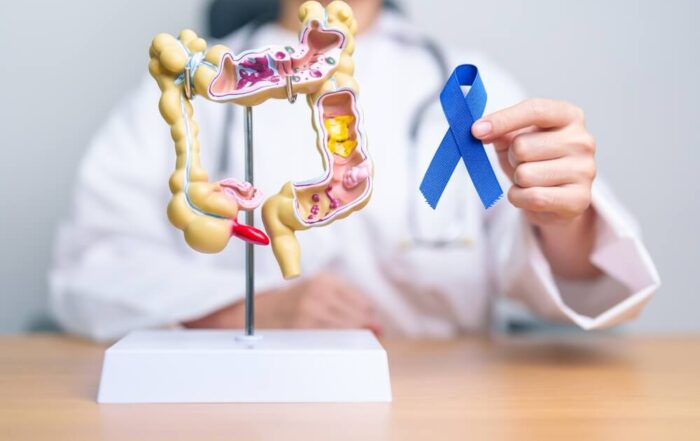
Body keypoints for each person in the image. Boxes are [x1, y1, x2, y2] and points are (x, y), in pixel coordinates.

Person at [49, 0, 659, 341]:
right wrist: (245, 308)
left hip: (435, 411)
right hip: (242, 407)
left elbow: (590, 276)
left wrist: (566, 217)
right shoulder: (198, 85)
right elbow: (90, 268)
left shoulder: (463, 84)